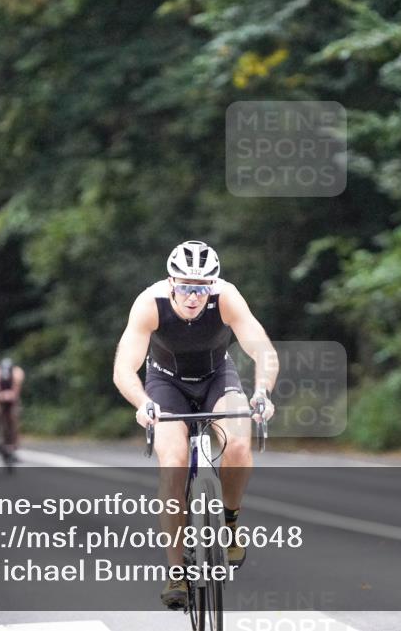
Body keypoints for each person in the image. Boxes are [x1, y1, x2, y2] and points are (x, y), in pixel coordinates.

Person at [113, 240, 277, 609]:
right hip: (165, 383)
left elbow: (262, 348)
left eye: (201, 287)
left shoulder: (227, 298)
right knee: (173, 460)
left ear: (212, 286)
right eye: (186, 286)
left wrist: (262, 391)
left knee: (237, 443)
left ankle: (230, 523)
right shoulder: (149, 304)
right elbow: (125, 367)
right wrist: (143, 403)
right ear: (171, 283)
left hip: (217, 375)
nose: (193, 296)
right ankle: (177, 574)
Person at [0, 357, 25, 461]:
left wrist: (11, 396)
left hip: (11, 399)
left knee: (13, 417)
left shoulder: (17, 373)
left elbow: (16, 391)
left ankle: (14, 443)